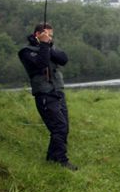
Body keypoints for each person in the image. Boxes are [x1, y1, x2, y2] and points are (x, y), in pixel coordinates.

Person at [18, 23, 78, 170]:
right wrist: (44, 45)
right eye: (47, 35)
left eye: (51, 35)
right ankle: (61, 160)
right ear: (37, 34)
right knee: (59, 127)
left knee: (64, 127)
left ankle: (52, 158)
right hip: (44, 94)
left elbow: (63, 59)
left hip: (58, 92)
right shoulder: (26, 52)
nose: (50, 38)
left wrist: (48, 45)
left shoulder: (49, 47)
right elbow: (41, 64)